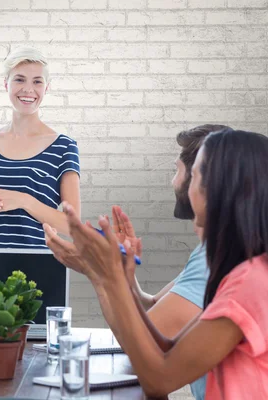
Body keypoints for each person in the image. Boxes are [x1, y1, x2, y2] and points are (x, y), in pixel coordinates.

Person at [47, 128, 268, 399]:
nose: (184, 186)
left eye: (194, 176)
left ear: (217, 190)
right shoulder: (244, 271)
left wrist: (109, 277)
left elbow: (159, 380)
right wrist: (115, 276)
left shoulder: (249, 284)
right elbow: (168, 348)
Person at [107, 124, 228, 399]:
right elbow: (152, 306)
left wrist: (104, 275)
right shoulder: (208, 252)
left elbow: (145, 347)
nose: (173, 182)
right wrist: (124, 270)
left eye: (181, 171)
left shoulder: (216, 259)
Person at [0, 47, 81, 248]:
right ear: (6, 84)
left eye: (37, 81)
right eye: (19, 79)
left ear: (46, 87)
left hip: (38, 266)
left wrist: (24, 200)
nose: (28, 89)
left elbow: (73, 227)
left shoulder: (63, 147)